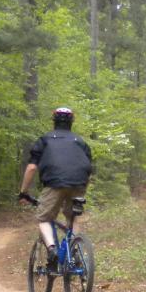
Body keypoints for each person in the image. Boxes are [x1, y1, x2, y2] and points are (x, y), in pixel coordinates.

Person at [18, 107, 94, 267]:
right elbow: (89, 169)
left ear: (54, 121)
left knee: (44, 218)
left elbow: (32, 168)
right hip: (79, 183)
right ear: (72, 122)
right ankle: (74, 252)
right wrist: (82, 187)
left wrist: (23, 192)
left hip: (54, 183)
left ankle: (52, 250)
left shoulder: (44, 140)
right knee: (73, 217)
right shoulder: (80, 141)